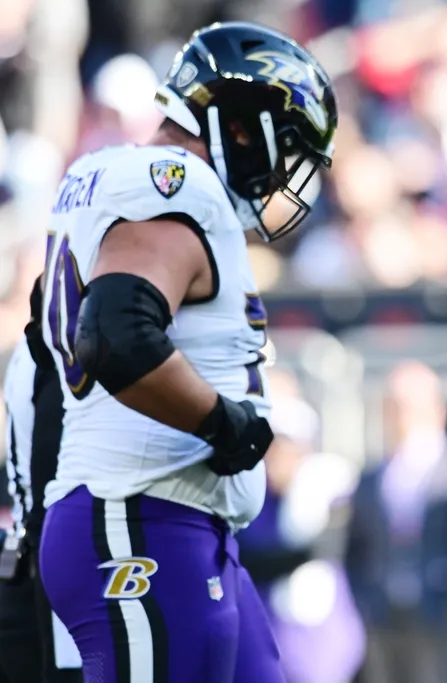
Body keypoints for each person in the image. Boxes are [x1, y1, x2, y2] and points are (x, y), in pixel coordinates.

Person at [35, 21, 337, 683]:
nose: (284, 173)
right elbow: (117, 332)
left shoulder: (110, 175)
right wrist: (223, 423)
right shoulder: (172, 184)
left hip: (177, 523)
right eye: (283, 148)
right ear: (237, 127)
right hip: (138, 517)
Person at [0, 277, 82, 683]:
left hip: (28, 553)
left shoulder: (33, 347)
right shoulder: (55, 350)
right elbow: (50, 471)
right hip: (50, 558)